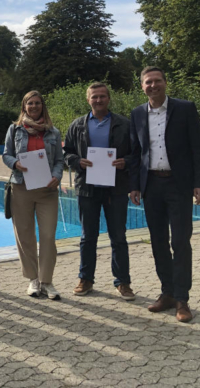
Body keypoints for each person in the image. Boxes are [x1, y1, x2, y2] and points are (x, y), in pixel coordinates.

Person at [129, 66, 200, 323]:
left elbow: (198, 147)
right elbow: (135, 152)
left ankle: (183, 299)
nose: (153, 85)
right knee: (158, 241)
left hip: (179, 184)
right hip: (151, 185)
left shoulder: (185, 108)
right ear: (141, 86)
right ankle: (167, 293)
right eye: (148, 82)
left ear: (165, 82)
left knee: (181, 242)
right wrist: (134, 185)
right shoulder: (138, 113)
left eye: (157, 81)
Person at [63, 82, 134, 300]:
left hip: (116, 188)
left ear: (108, 98)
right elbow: (66, 153)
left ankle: (123, 282)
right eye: (94, 97)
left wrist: (126, 162)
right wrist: (77, 161)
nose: (98, 100)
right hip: (88, 188)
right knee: (87, 237)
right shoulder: (77, 125)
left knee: (119, 237)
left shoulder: (124, 124)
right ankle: (86, 279)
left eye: (102, 96)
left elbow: (138, 153)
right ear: (88, 100)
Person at [2, 90, 64, 300]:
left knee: (47, 236)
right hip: (21, 188)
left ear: (42, 106)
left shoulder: (53, 132)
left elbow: (59, 160)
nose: (34, 106)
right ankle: (33, 280)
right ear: (24, 107)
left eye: (37, 103)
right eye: (30, 103)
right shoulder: (15, 129)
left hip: (47, 190)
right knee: (25, 236)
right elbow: (6, 154)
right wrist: (15, 163)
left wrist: (57, 176)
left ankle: (47, 281)